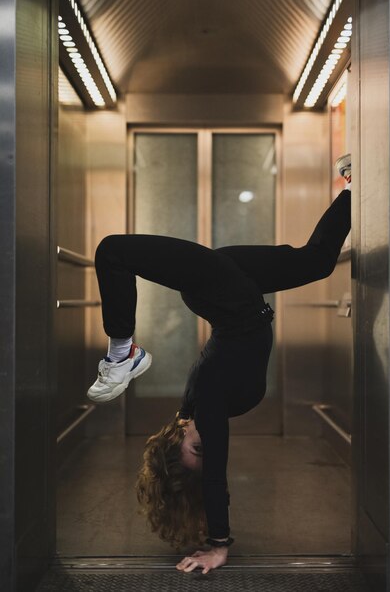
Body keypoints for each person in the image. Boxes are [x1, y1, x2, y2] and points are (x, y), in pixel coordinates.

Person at [87, 154, 352, 575]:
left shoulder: (200, 403)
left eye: (196, 445)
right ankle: (353, 188)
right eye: (206, 448)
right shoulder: (204, 410)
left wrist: (218, 545)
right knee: (316, 262)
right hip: (231, 288)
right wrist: (213, 532)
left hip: (218, 290)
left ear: (174, 437)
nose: (206, 439)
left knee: (113, 251)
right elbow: (210, 478)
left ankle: (123, 353)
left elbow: (213, 479)